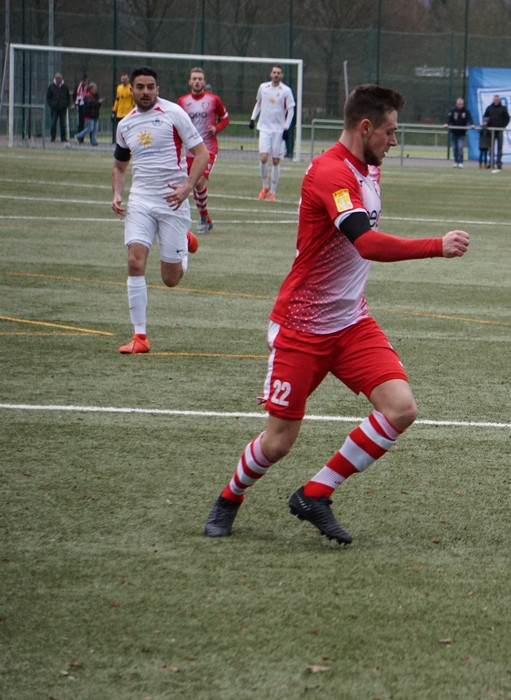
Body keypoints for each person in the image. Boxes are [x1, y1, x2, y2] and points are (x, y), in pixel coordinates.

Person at [203, 84, 470, 542]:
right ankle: (229, 497)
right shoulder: (330, 173)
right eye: (390, 132)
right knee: (278, 441)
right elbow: (365, 242)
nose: (394, 140)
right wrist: (435, 247)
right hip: (302, 327)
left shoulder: (369, 167)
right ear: (364, 127)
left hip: (351, 324)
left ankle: (316, 494)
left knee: (401, 409)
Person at [112, 66, 208, 355]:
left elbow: (201, 154)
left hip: (172, 201)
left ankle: (184, 240)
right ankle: (140, 337)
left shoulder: (174, 114)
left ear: (157, 88)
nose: (145, 92)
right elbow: (119, 165)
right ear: (132, 89)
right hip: (140, 200)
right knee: (134, 262)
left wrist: (187, 187)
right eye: (139, 87)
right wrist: (117, 192)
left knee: (170, 279)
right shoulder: (125, 124)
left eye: (150, 87)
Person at [178, 67, 230, 233]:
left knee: (199, 182)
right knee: (193, 185)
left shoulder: (214, 100)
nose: (197, 81)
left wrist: (217, 128)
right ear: (189, 81)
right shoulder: (182, 101)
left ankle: (202, 218)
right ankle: (206, 218)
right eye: (194, 78)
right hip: (189, 150)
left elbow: (225, 118)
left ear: (204, 82)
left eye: (200, 78)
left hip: (208, 149)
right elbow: (177, 123)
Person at [250, 65, 295, 200]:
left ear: (281, 76)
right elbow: (259, 103)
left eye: (278, 73)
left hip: (278, 130)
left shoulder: (286, 90)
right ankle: (265, 186)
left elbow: (291, 110)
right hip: (264, 128)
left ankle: (273, 192)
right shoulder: (263, 87)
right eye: (274, 72)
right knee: (263, 158)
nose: (276, 75)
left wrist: (286, 127)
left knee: (276, 160)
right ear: (270, 74)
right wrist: (253, 118)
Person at [482, 94, 510, 171]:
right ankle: (491, 163)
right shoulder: (489, 108)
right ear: (493, 100)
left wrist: (503, 126)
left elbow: (507, 118)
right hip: (491, 131)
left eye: (497, 100)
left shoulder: (503, 108)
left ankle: (499, 163)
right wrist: (485, 123)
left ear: (499, 100)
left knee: (500, 148)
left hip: (499, 130)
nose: (496, 101)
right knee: (491, 148)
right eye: (495, 99)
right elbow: (485, 117)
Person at [445, 97, 473, 168]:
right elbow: (449, 119)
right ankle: (456, 161)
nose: (459, 105)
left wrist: (472, 124)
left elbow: (469, 118)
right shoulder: (453, 111)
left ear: (463, 104)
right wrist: (447, 124)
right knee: (454, 148)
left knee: (460, 147)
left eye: (461, 104)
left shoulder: (466, 111)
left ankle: (460, 162)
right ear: (456, 104)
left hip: (461, 133)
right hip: (453, 132)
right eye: (458, 104)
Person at [46, 72, 71, 143]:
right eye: (56, 78)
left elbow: (68, 97)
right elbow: (48, 98)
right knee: (53, 123)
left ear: (61, 78)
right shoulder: (51, 87)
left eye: (59, 78)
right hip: (54, 109)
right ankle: (53, 137)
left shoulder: (65, 87)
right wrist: (52, 104)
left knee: (63, 123)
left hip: (63, 109)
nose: (57, 79)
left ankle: (63, 138)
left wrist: (66, 104)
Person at [111, 74, 134, 145]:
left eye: (125, 79)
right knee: (120, 128)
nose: (124, 80)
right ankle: (120, 142)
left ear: (128, 80)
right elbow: (117, 99)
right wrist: (115, 109)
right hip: (120, 112)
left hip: (128, 112)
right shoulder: (119, 88)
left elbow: (134, 99)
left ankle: (128, 141)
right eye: (123, 79)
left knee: (128, 128)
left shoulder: (131, 88)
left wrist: (134, 107)